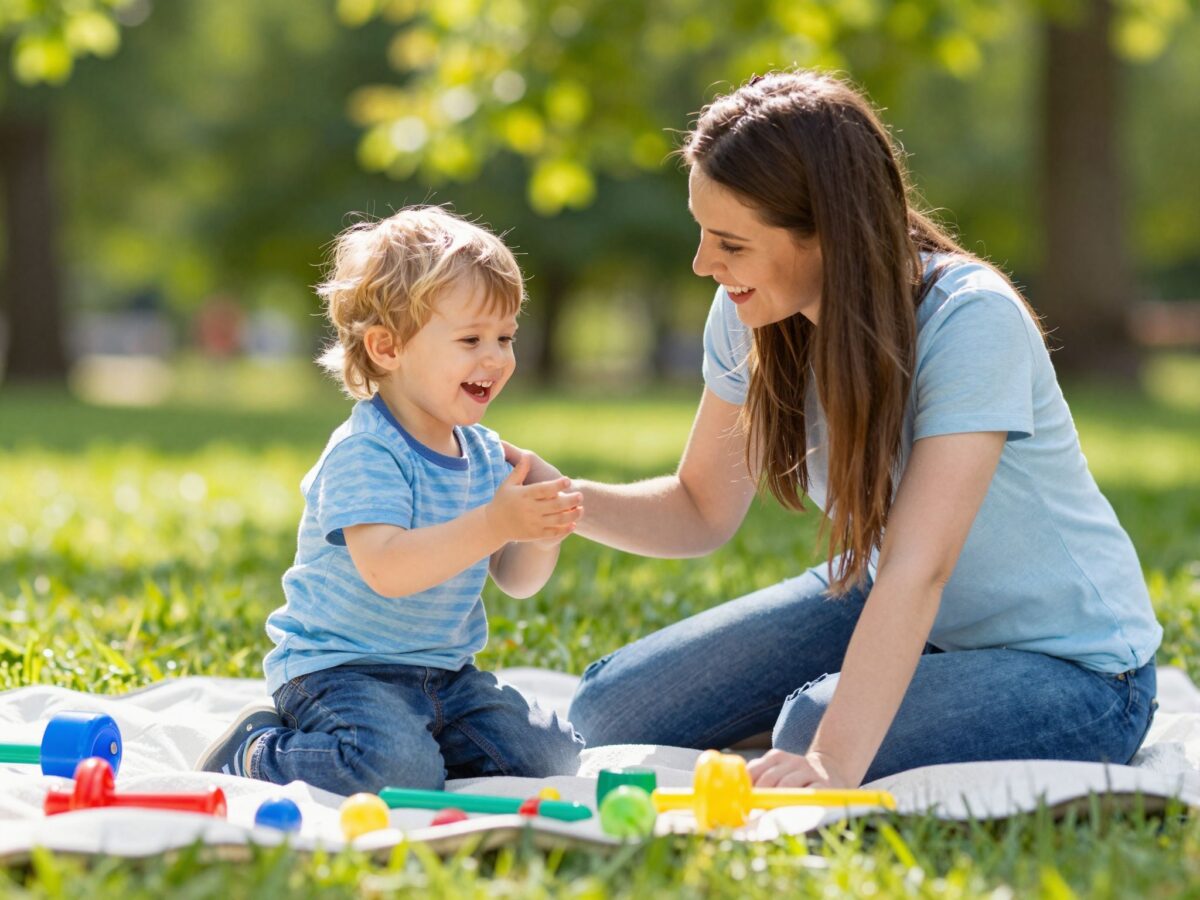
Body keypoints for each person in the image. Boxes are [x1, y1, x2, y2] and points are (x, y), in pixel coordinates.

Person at [511, 70, 1162, 790]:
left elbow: (920, 566)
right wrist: (557, 499)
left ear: (827, 232)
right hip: (903, 603)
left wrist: (830, 761)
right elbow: (699, 507)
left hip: (1077, 672)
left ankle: (872, 709)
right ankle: (898, 693)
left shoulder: (971, 320)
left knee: (811, 729)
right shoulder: (751, 313)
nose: (703, 264)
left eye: (731, 243)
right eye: (703, 232)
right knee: (609, 709)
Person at [197, 206, 585, 794]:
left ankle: (417, 742)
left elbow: (517, 580)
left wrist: (540, 531)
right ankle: (256, 752)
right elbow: (388, 569)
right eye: (471, 339)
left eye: (505, 337)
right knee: (397, 770)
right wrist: (492, 522)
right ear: (387, 347)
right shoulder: (367, 451)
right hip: (339, 672)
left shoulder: (484, 454)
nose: (496, 358)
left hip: (445, 675)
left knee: (551, 757)